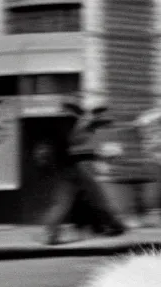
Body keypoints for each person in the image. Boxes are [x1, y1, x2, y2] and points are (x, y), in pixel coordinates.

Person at [44, 101, 127, 245]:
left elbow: (73, 145)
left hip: (66, 168)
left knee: (64, 202)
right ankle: (114, 225)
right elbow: (75, 146)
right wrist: (97, 152)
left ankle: (52, 233)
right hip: (71, 168)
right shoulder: (68, 124)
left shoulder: (60, 124)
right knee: (95, 196)